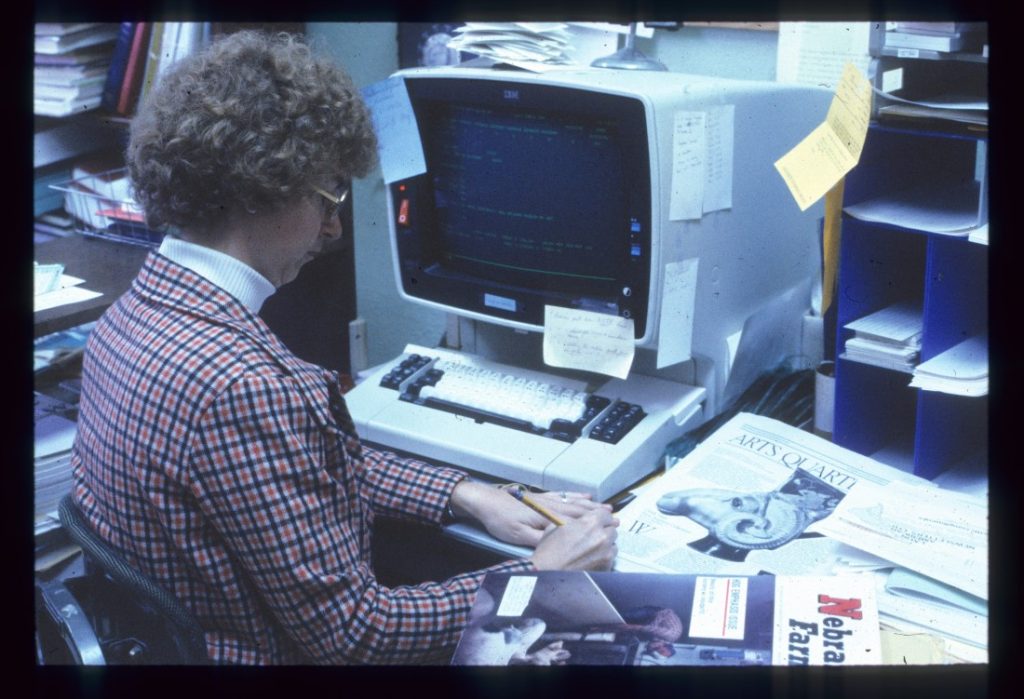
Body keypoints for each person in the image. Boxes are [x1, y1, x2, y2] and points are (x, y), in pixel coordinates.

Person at [70, 30, 618, 665]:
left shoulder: (132, 317)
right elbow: (358, 635)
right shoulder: (244, 387)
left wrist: (461, 493)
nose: (333, 228)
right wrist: (539, 580)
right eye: (327, 197)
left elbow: (298, 470)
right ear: (262, 188)